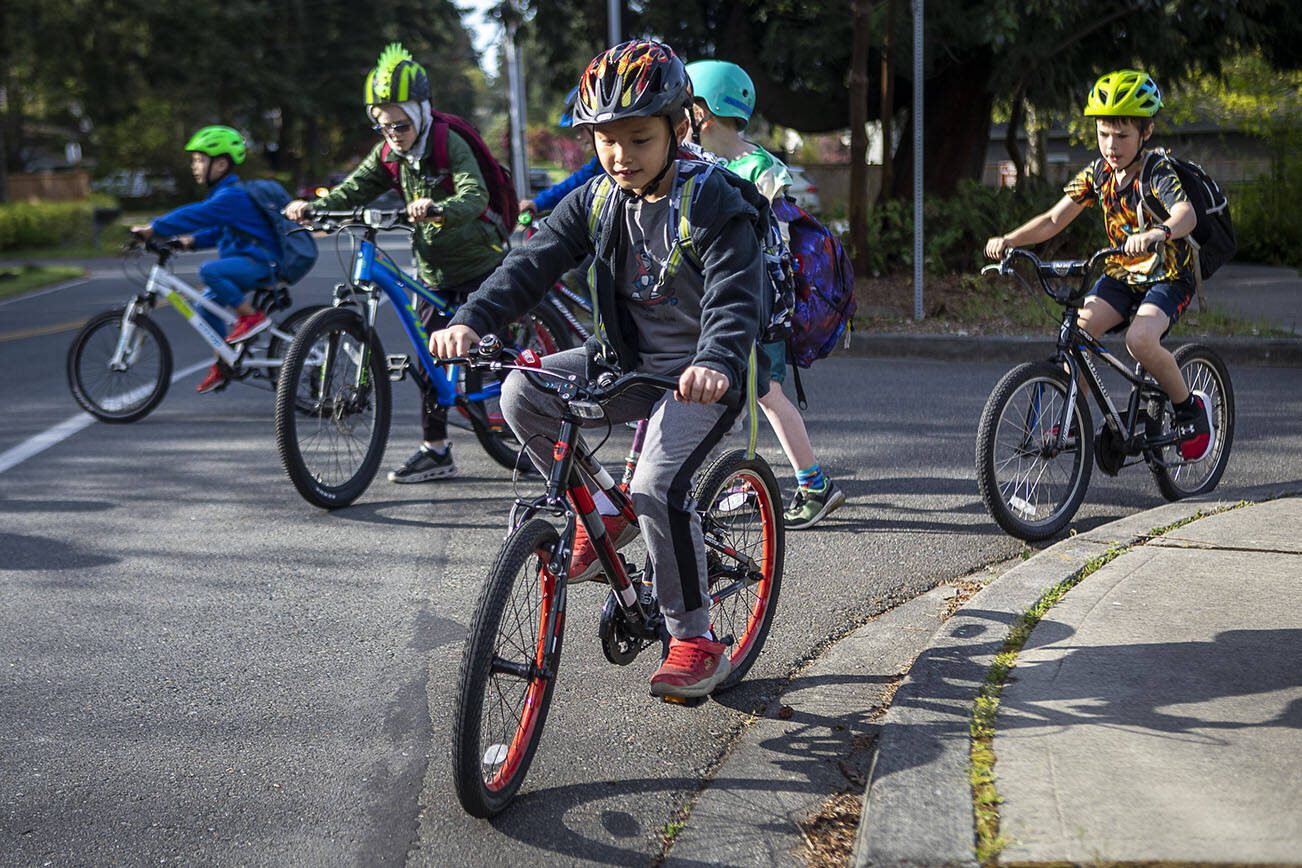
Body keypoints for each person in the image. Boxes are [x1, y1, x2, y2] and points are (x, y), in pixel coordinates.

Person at [430, 40, 771, 700]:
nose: (620, 156)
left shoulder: (712, 201)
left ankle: (695, 637)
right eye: (604, 141)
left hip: (702, 373)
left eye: (638, 139)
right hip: (626, 362)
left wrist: (717, 360)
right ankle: (605, 508)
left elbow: (736, 293)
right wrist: (473, 320)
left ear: (678, 129)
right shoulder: (596, 201)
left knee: (658, 486)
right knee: (523, 390)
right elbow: (529, 265)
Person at [285, 43, 506, 483]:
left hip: (479, 261)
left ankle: (529, 420)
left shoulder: (448, 141)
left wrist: (439, 207)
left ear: (422, 112)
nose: (393, 134)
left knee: (488, 358)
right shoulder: (388, 153)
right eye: (382, 125)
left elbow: (474, 193)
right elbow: (353, 189)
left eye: (400, 124)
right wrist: (312, 207)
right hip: (435, 270)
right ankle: (436, 451)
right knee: (429, 357)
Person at [984, 69, 1213, 462]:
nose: (1111, 145)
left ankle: (1189, 408)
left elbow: (1186, 215)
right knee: (1078, 329)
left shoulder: (1157, 171)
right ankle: (1076, 416)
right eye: (1104, 134)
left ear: (1146, 132)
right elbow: (1054, 219)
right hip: (1122, 273)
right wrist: (1010, 240)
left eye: (1122, 136)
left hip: (1168, 275)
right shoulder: (1098, 173)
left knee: (1139, 341)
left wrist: (1159, 234)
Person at [687, 58, 847, 530]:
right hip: (736, 300)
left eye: (685, 104)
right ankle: (738, 482)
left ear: (706, 112)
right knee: (742, 393)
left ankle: (813, 484)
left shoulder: (756, 168)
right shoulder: (723, 161)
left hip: (757, 305)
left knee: (767, 394)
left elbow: (769, 244)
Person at [131, 126, 281, 394]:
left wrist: (155, 228)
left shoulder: (232, 195)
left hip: (261, 262)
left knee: (210, 270)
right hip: (246, 261)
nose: (194, 166)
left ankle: (251, 317)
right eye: (194, 160)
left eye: (200, 160)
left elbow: (197, 214)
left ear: (221, 163)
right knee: (206, 305)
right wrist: (191, 241)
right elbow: (220, 230)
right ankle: (224, 360)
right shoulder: (225, 196)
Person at [518, 88, 603, 218]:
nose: (579, 137)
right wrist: (537, 203)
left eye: (581, 129)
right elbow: (574, 183)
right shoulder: (599, 163)